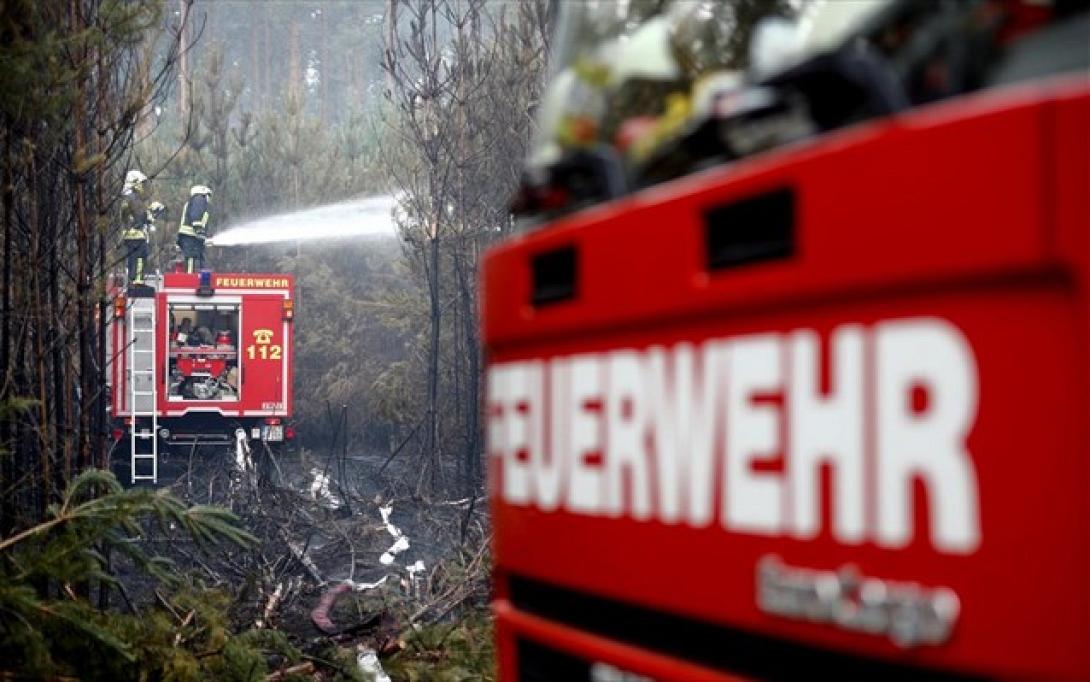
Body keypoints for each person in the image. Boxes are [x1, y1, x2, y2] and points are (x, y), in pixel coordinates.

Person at [119, 170, 165, 286]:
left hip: (128, 235)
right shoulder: (134, 198)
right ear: (135, 183)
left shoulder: (126, 198)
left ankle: (131, 279)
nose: (143, 186)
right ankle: (137, 280)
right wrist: (150, 215)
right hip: (137, 235)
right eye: (141, 183)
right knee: (140, 256)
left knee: (131, 258)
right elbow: (140, 216)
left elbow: (129, 216)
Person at [177, 184, 212, 273]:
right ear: (204, 193)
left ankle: (196, 278)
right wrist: (199, 230)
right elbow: (196, 215)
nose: (209, 198)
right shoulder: (199, 199)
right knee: (191, 257)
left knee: (197, 257)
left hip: (191, 235)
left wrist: (203, 235)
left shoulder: (194, 200)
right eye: (208, 195)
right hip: (191, 235)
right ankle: (190, 279)